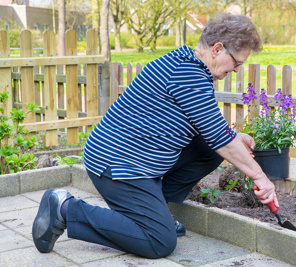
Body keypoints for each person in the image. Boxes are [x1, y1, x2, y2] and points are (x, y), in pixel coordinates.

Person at [32, 13, 279, 259]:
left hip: (134, 157)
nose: (236, 70)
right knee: (159, 241)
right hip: (116, 163)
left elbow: (211, 130)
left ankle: (151, 209)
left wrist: (234, 137)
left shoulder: (186, 62)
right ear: (217, 49)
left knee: (210, 148)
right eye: (237, 63)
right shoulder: (189, 75)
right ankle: (64, 209)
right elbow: (218, 137)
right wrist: (261, 178)